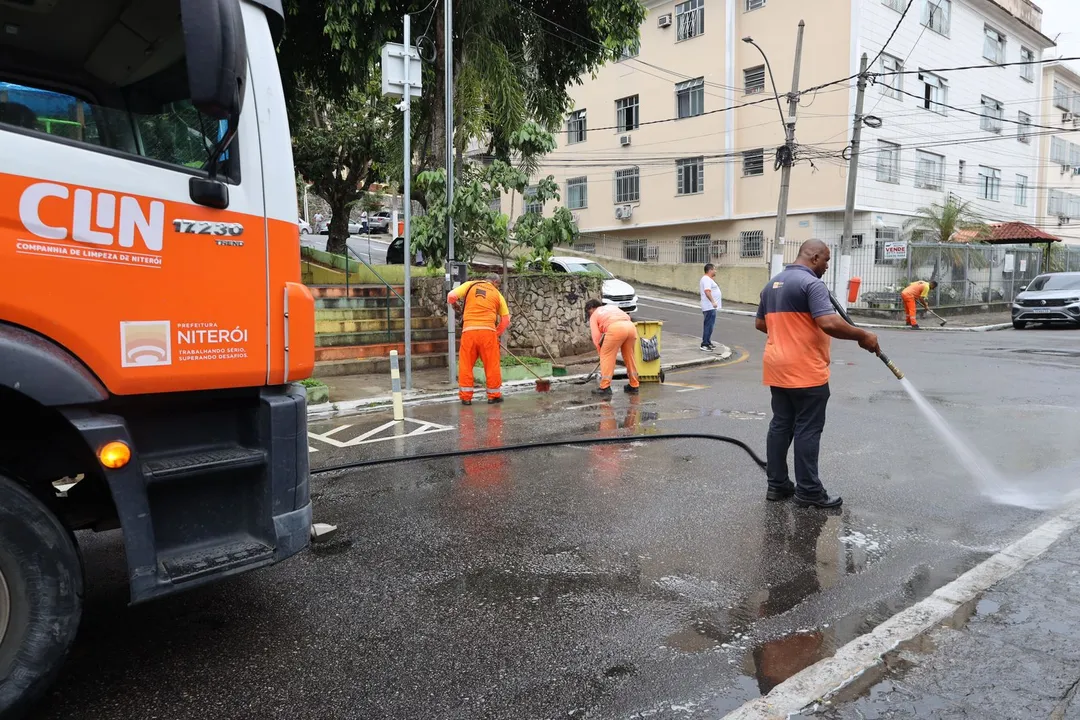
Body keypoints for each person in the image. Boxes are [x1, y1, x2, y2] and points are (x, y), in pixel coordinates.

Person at [755, 239, 881, 509]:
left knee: (781, 425)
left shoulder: (772, 284)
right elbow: (828, 322)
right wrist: (863, 335)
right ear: (813, 257)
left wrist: (787, 336)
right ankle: (809, 491)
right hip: (805, 371)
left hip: (777, 367)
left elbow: (760, 323)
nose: (826, 266)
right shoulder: (812, 284)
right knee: (807, 429)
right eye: (825, 261)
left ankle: (777, 486)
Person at [447, 273, 511, 405]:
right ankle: (493, 395)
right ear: (495, 283)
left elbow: (451, 296)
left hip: (469, 331)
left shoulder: (470, 285)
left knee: (466, 364)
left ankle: (466, 397)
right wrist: (496, 333)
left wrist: (455, 305)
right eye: (498, 285)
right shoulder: (497, 295)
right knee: (491, 364)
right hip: (488, 332)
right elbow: (505, 320)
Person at [585, 299, 640, 399]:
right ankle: (634, 385)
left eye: (588, 312)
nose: (589, 314)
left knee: (607, 357)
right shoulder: (611, 307)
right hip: (631, 327)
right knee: (629, 356)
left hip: (615, 328)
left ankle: (605, 387)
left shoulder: (594, 315)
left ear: (591, 309)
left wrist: (601, 353)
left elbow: (596, 337)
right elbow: (627, 317)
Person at [699, 263, 721, 352]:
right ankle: (704, 344)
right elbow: (707, 291)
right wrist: (713, 302)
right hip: (709, 307)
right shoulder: (706, 279)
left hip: (710, 307)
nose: (715, 271)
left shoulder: (708, 279)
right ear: (710, 270)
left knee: (710, 326)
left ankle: (708, 342)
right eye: (714, 269)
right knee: (708, 325)